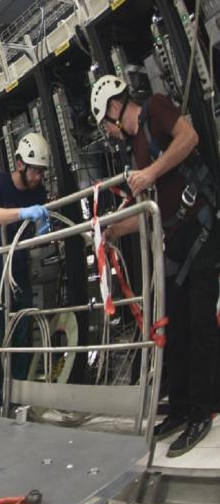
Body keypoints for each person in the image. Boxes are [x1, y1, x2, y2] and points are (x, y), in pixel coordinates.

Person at [91, 76, 218, 456]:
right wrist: (109, 232)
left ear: (114, 108)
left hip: (201, 228)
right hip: (174, 238)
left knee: (199, 326)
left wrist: (150, 173)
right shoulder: (135, 151)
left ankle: (202, 409)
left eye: (105, 125)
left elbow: (189, 138)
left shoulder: (157, 109)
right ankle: (180, 407)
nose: (109, 133)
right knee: (174, 327)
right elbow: (147, 212)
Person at [0, 132, 50, 412]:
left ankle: (17, 399)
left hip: (19, 269)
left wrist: (43, 227)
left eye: (43, 172)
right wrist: (22, 213)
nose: (39, 178)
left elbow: (37, 224)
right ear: (20, 164)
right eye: (35, 171)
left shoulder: (37, 191)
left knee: (21, 334)